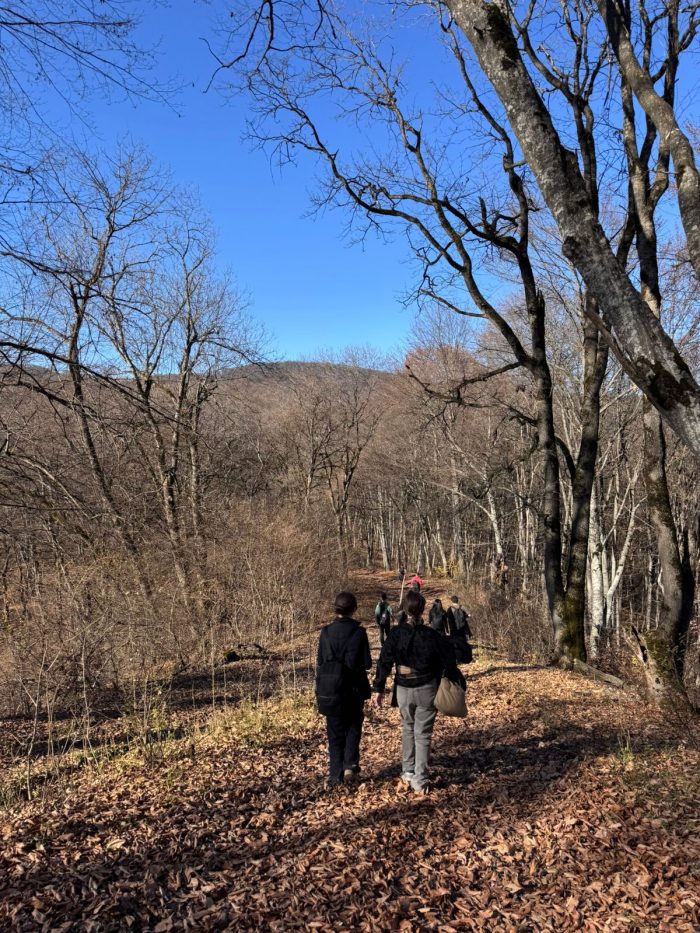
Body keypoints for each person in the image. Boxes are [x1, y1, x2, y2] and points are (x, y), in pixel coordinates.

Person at [373, 589, 464, 795]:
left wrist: (379, 688)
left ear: (404, 609)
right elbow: (449, 660)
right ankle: (420, 780)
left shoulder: (396, 634)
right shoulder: (432, 636)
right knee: (422, 734)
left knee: (408, 728)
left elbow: (384, 661)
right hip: (426, 689)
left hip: (404, 688)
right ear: (423, 610)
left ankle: (407, 772)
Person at [315, 592, 372, 789]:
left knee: (334, 732)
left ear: (335, 609)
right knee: (354, 726)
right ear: (354, 609)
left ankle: (335, 774)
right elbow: (367, 663)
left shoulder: (325, 632)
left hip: (331, 689)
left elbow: (320, 661)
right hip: (354, 689)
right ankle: (350, 765)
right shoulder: (359, 633)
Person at [445, 595, 473, 664]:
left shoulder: (450, 609)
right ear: (458, 600)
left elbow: (447, 618)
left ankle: (457, 658)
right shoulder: (462, 607)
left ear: (451, 601)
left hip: (454, 628)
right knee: (463, 642)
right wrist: (465, 618)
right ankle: (464, 656)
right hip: (462, 627)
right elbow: (470, 615)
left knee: (455, 643)